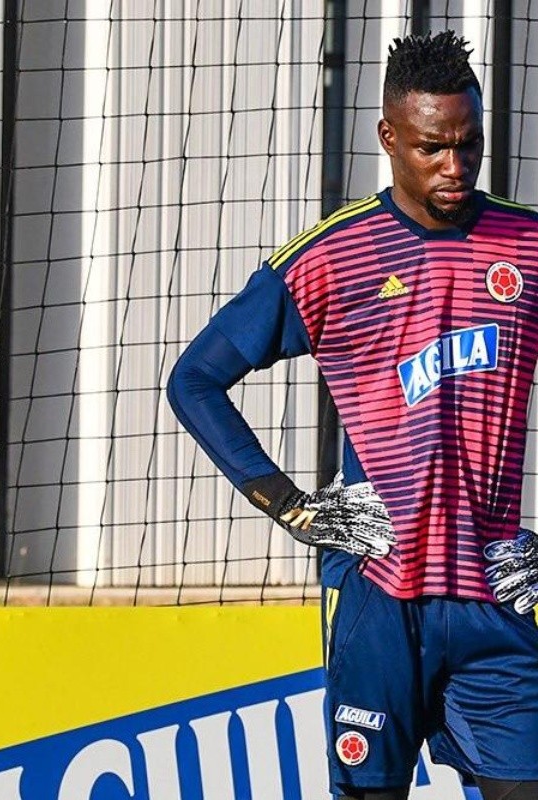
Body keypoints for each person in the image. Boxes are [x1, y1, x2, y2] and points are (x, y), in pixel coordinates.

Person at [168, 31, 538, 800]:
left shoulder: (526, 243)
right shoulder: (330, 257)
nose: (455, 166)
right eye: (434, 147)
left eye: (470, 145)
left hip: (496, 595)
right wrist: (290, 506)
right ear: (389, 137)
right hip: (377, 589)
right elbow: (194, 380)